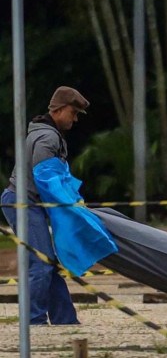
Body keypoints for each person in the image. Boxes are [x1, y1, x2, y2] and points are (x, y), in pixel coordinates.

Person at [1, 86, 90, 325]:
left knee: (47, 262)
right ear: (59, 110)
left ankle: (65, 320)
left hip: (28, 202)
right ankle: (33, 322)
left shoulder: (48, 134)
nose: (75, 118)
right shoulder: (47, 137)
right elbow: (47, 179)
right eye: (73, 112)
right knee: (40, 264)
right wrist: (71, 206)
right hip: (22, 202)